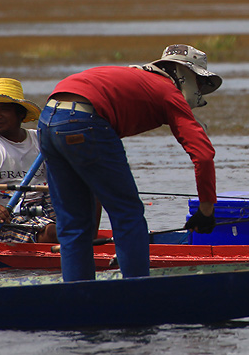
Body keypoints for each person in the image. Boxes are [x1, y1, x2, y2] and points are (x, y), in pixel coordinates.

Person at [37, 44, 222, 281]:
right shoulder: (169, 92)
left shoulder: (137, 78)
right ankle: (137, 289)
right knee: (128, 214)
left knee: (73, 222)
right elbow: (203, 155)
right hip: (85, 120)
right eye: (198, 82)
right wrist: (206, 210)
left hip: (48, 120)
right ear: (184, 74)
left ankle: (78, 293)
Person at [0, 78, 57, 243]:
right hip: (0, 221)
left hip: (42, 210)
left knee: (83, 209)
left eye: (4, 110)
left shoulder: (40, 140)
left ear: (21, 114)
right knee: (55, 232)